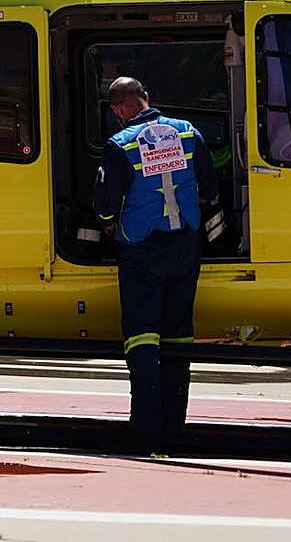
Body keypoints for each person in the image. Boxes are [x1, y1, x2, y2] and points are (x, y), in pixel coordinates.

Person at [93, 76, 218, 453]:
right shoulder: (187, 132)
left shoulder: (120, 144)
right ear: (147, 97)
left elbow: (103, 205)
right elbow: (210, 189)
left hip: (142, 250)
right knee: (179, 335)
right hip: (185, 245)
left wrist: (107, 227)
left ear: (119, 109)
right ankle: (175, 428)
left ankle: (146, 431)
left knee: (142, 336)